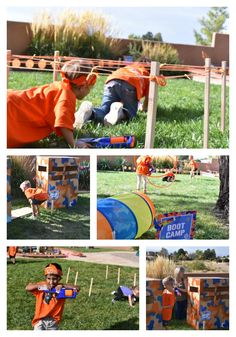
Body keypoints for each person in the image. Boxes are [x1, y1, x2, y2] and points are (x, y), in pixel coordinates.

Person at [7, 60, 97, 148]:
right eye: (91, 86)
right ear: (83, 86)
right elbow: (63, 124)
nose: (90, 90)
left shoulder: (60, 86)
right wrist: (73, 143)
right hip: (11, 111)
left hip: (11, 99)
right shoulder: (67, 97)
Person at [74, 62, 150, 127]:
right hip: (131, 84)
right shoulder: (148, 74)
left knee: (104, 109)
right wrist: (144, 108)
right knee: (130, 114)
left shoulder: (129, 67)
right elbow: (148, 97)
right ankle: (120, 112)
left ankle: (90, 112)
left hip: (112, 80)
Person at [25, 263, 79, 330]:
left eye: (54, 279)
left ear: (59, 278)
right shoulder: (42, 286)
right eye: (48, 278)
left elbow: (77, 288)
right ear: (46, 278)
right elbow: (27, 287)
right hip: (39, 320)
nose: (51, 282)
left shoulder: (61, 289)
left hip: (54, 321)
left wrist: (63, 286)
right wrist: (40, 286)